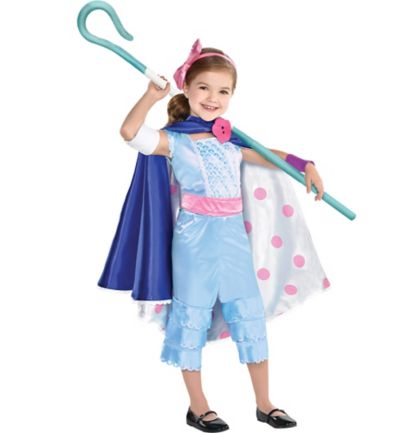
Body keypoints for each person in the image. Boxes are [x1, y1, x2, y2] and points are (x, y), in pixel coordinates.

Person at [98, 39, 330, 431]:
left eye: (223, 91)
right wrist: (151, 96)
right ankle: (198, 406)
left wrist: (304, 163)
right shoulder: (174, 141)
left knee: (249, 314)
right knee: (191, 317)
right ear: (186, 89)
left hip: (233, 241)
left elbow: (270, 156)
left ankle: (264, 403)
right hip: (194, 242)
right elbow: (130, 132)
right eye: (204, 87)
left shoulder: (230, 142)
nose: (213, 98)